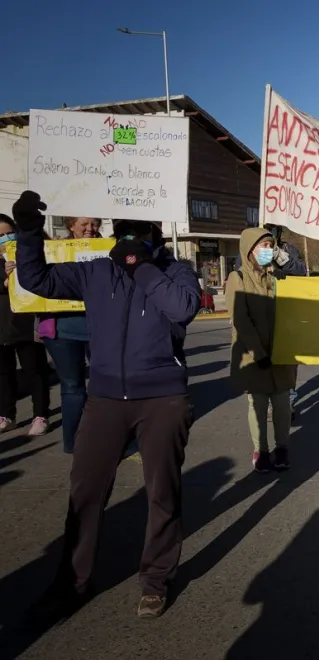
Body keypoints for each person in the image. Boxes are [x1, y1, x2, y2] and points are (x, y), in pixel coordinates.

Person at [14, 191, 200, 620]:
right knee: (86, 494)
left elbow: (183, 308)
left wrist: (143, 269)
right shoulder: (96, 271)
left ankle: (155, 580)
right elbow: (36, 280)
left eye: (142, 231)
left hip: (162, 400)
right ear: (114, 234)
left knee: (162, 493)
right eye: (125, 231)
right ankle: (72, 582)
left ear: (157, 235)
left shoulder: (178, 273)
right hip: (104, 399)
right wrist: (27, 233)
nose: (132, 239)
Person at [227, 227, 296, 473]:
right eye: (263, 246)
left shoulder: (277, 277)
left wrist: (282, 261)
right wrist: (258, 353)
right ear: (249, 250)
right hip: (254, 355)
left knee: (281, 405)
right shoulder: (238, 278)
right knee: (257, 405)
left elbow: (301, 277)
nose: (268, 251)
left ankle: (282, 448)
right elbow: (241, 320)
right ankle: (261, 451)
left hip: (281, 353)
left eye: (270, 246)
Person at [38, 216, 102, 453]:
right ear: (71, 226)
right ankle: (74, 442)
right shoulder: (52, 251)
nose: (90, 228)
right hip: (62, 330)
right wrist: (16, 269)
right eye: (84, 224)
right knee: (72, 386)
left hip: (103, 328)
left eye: (95, 223)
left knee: (105, 384)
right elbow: (36, 283)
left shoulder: (111, 250)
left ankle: (107, 435)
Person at [234, 223, 306, 413]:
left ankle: (286, 401)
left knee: (287, 365)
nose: (271, 233)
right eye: (267, 229)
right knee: (261, 361)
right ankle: (263, 404)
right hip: (261, 314)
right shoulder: (250, 247)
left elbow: (301, 271)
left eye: (274, 230)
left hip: (286, 313)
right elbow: (243, 272)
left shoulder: (288, 250)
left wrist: (280, 258)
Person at [0, 214, 50, 436]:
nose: (6, 238)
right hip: (2, 325)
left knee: (35, 370)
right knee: (3, 373)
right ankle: (6, 415)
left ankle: (40, 415)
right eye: (0, 235)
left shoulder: (27, 253)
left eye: (9, 232)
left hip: (28, 321)